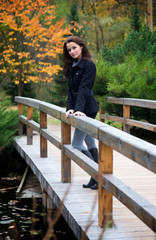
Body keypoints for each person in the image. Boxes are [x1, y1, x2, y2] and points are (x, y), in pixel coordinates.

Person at [63, 36, 99, 190]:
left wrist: (78, 110)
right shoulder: (72, 67)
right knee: (90, 142)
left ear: (82, 46)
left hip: (87, 110)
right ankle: (95, 178)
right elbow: (71, 91)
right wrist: (70, 108)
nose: (72, 51)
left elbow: (84, 89)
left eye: (74, 48)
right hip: (79, 109)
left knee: (76, 144)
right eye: (69, 50)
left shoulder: (89, 65)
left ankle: (98, 175)